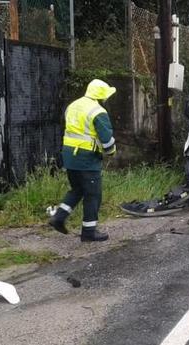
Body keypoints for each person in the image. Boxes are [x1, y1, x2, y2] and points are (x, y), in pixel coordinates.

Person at [49, 79, 117, 242]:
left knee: (77, 189)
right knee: (93, 194)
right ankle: (89, 232)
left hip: (69, 155)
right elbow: (107, 140)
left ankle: (58, 217)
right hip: (87, 158)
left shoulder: (73, 106)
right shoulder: (97, 111)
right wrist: (111, 152)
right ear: (101, 96)